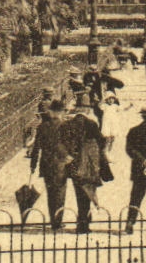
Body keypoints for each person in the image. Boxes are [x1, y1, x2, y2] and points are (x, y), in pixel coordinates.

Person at [58, 97, 111, 234]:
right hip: (89, 164)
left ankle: (83, 221)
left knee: (79, 191)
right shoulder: (91, 123)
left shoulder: (66, 124)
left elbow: (62, 143)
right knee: (88, 189)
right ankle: (85, 221)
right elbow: (102, 141)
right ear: (87, 110)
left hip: (74, 164)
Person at [28, 98, 70, 229]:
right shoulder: (66, 126)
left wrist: (33, 165)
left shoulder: (42, 127)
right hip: (61, 164)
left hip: (46, 163)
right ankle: (58, 220)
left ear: (51, 111)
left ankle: (53, 220)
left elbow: (36, 148)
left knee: (50, 191)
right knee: (60, 192)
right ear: (62, 112)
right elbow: (71, 145)